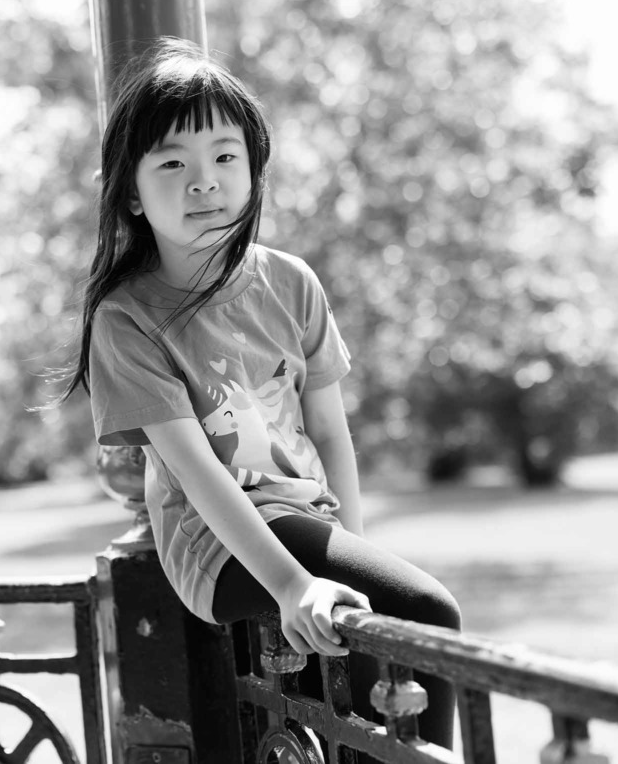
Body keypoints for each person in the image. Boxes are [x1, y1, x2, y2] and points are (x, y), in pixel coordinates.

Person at [58, 38, 462, 755]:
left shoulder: (291, 282)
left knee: (350, 692)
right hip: (215, 539)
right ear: (129, 192)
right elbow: (196, 473)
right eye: (172, 164)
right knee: (426, 610)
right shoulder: (128, 317)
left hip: (305, 520)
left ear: (252, 171)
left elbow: (331, 436)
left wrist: (350, 553)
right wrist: (294, 583)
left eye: (223, 157)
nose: (203, 182)